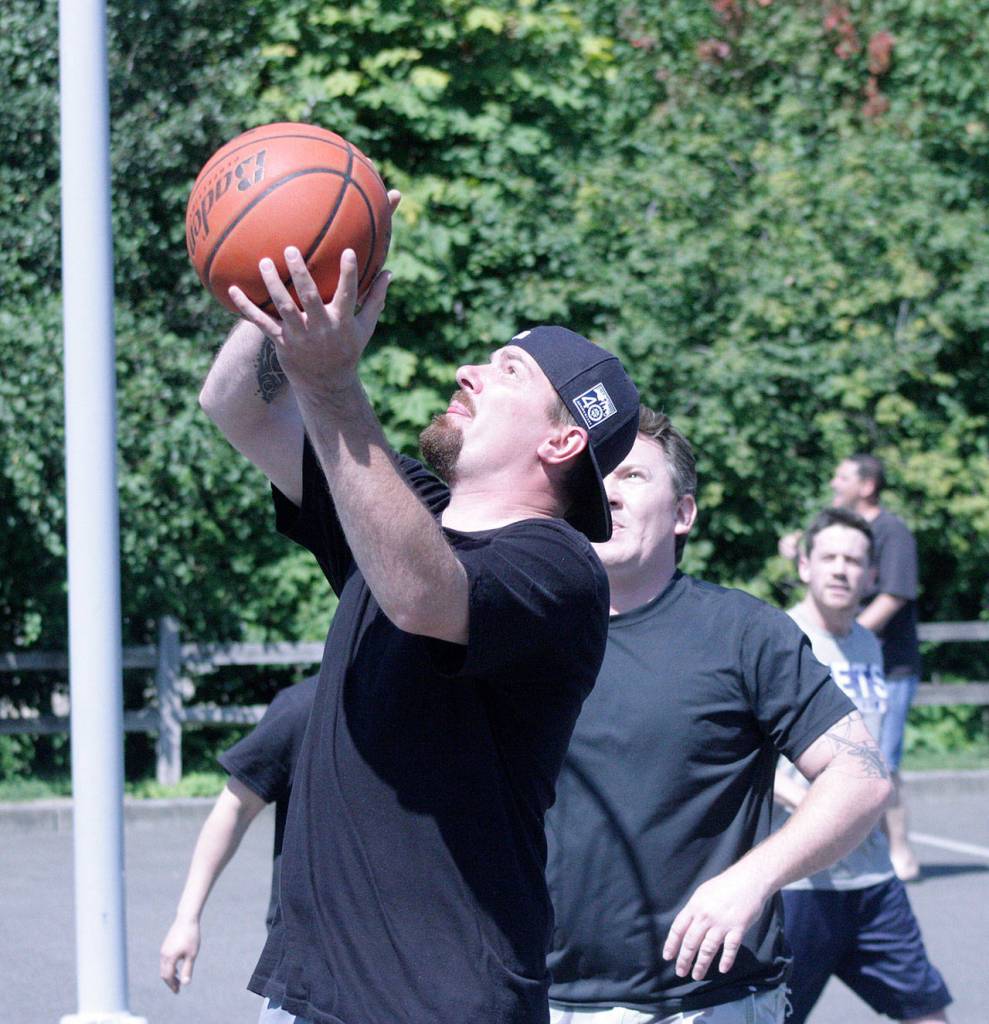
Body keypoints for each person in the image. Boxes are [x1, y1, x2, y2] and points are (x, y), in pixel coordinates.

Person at [198, 217, 640, 1024]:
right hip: (311, 996)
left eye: (506, 370)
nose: (469, 369)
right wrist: (300, 279)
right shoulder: (404, 514)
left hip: (436, 1006)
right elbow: (240, 409)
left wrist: (333, 385)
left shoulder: (560, 568)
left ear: (563, 438)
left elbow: (423, 594)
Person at [545, 408, 891, 1024]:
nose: (607, 493)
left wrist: (752, 880)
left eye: (631, 476)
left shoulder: (741, 632)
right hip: (536, 997)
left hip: (707, 1004)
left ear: (682, 513)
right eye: (595, 475)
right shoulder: (522, 630)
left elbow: (860, 776)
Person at [774, 507, 951, 1023]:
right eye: (827, 557)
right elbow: (744, 758)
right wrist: (814, 806)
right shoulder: (778, 639)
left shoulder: (867, 643)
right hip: (798, 883)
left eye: (853, 560)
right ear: (805, 565)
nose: (840, 569)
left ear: (872, 576)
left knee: (928, 1014)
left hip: (871, 881)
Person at [159, 676, 317, 994]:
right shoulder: (305, 708)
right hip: (310, 958)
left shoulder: (437, 703)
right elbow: (235, 809)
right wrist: (186, 918)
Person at [830, 454, 923, 881]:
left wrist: (848, 636)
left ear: (867, 486)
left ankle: (900, 853)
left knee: (883, 760)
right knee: (850, 757)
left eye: (843, 476)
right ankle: (860, 849)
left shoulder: (892, 531)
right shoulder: (848, 532)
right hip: (852, 662)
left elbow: (895, 594)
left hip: (889, 666)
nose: (834, 481)